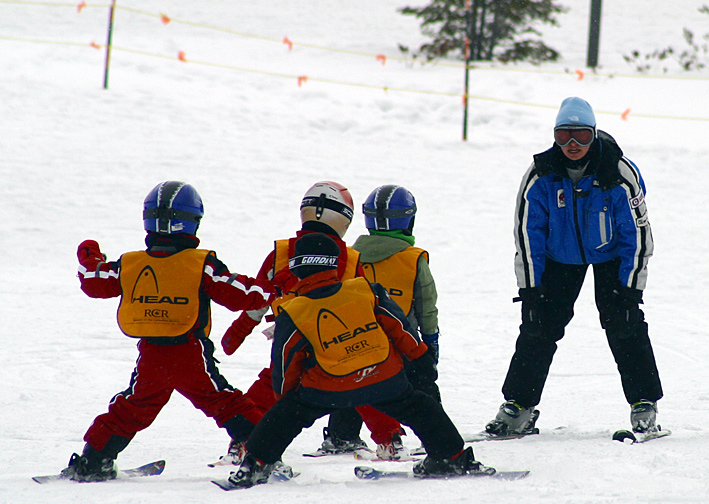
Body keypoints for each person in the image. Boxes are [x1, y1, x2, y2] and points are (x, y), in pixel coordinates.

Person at [225, 233, 492, 488]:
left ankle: (256, 463)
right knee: (421, 408)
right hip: (382, 378)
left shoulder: (293, 310)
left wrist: (287, 398)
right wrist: (420, 357)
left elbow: (285, 360)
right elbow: (399, 327)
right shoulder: (365, 289)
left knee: (284, 418)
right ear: (337, 264)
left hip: (325, 388)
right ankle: (452, 456)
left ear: (295, 269)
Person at [58, 181, 276, 481]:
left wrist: (89, 256)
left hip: (152, 355)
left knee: (133, 406)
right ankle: (265, 453)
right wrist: (271, 290)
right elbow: (238, 293)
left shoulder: (131, 264)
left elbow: (94, 281)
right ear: (193, 222)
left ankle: (94, 459)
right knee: (225, 402)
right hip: (189, 353)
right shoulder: (201, 264)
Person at [485, 97, 664, 437]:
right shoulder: (541, 174)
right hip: (559, 258)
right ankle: (518, 406)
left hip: (610, 256)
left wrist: (630, 287)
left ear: (594, 135)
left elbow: (637, 234)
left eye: (582, 136)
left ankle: (644, 404)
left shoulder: (616, 172)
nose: (572, 145)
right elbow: (527, 234)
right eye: (564, 135)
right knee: (538, 327)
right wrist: (530, 287)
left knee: (624, 324)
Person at [218, 181, 405, 464]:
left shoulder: (280, 253)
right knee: (365, 384)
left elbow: (258, 298)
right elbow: (363, 301)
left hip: (290, 341)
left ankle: (245, 439)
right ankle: (390, 440)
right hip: (336, 341)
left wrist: (239, 331)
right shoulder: (351, 258)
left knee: (272, 387)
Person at [354, 185, 441, 402]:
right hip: (404, 342)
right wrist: (430, 342)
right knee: (423, 384)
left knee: (351, 389)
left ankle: (341, 434)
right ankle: (437, 432)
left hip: (358, 344)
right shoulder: (413, 259)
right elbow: (426, 305)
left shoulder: (350, 256)